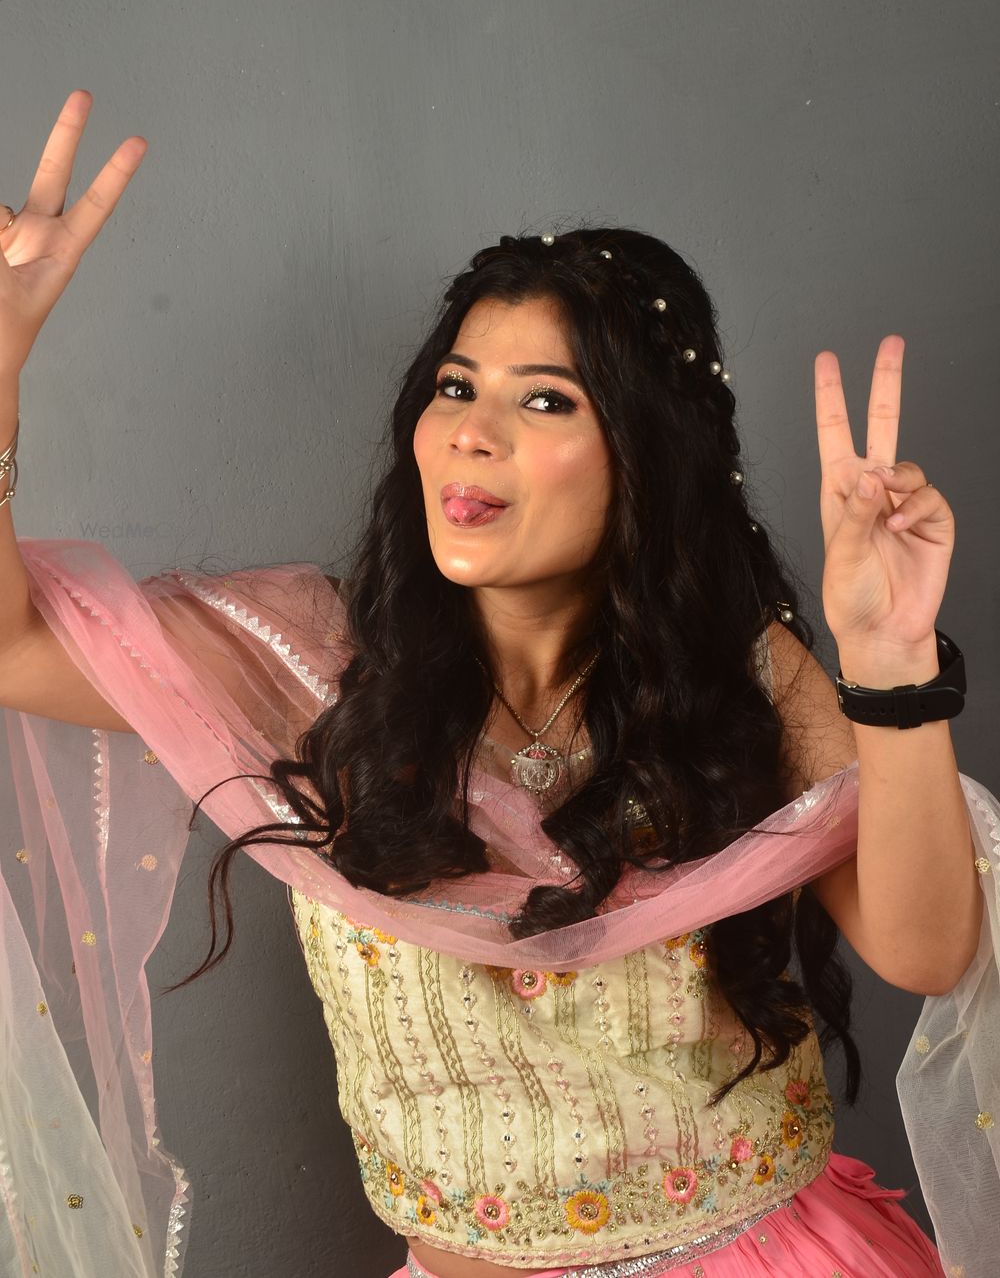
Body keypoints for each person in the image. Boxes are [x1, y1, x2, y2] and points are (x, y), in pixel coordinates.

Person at [0, 91, 996, 1278]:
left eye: (544, 400)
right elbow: (13, 645)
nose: (472, 432)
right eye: (456, 385)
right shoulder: (307, 666)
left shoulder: (740, 675)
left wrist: (890, 667)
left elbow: (929, 953)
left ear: (645, 457)